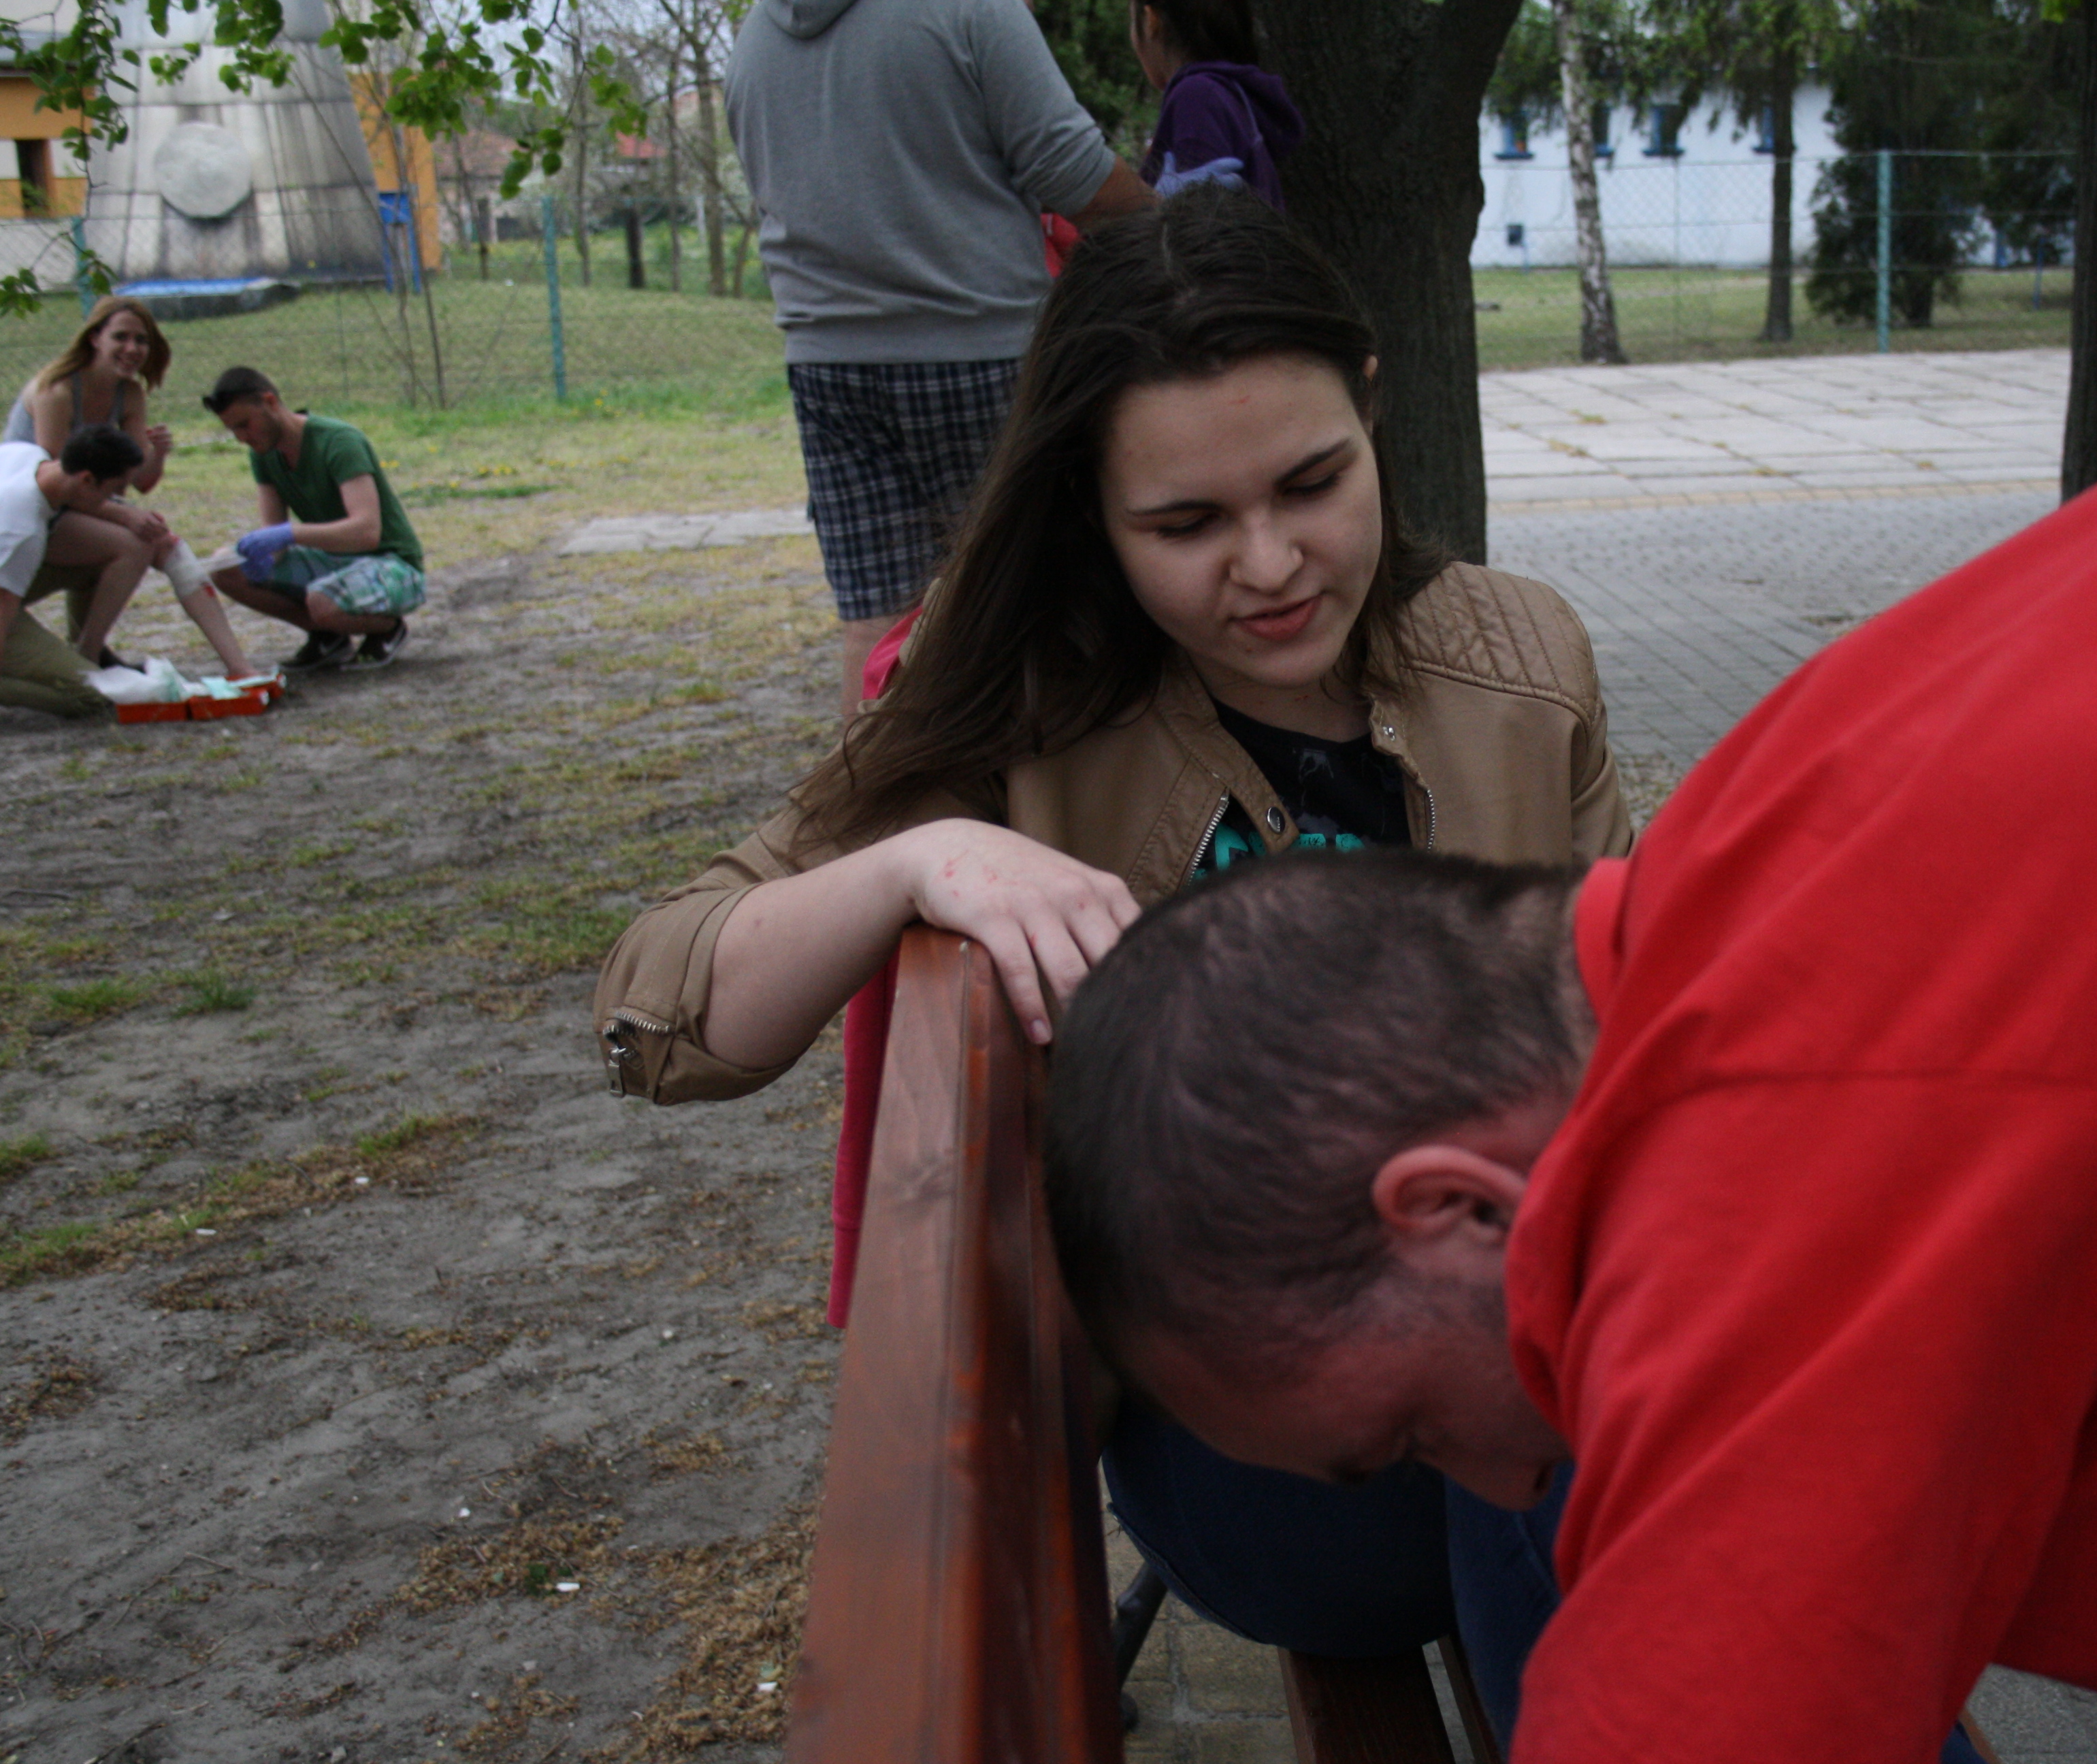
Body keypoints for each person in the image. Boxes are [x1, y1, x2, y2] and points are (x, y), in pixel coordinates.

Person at [1042, 312, 2097, 1764]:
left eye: (1407, 1434)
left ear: (1457, 1205)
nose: (1503, 1492)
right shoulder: (1754, 856)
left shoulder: (1784, 1197)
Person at [598, 190, 1631, 1742]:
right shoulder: (1029, 708)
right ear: (1090, 507)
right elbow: (655, 1012)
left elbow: (1634, 1030)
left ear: (1370, 404)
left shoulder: (1520, 658)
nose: (1269, 564)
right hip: (1267, 1449)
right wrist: (917, 861)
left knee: (1634, 1399)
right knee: (1588, 1426)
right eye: (1186, 524)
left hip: (1539, 1365)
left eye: (1311, 483)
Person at [726, 0, 1157, 723]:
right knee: (1033, 604)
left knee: (876, 626)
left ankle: (880, 791)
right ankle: (1047, 791)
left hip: (827, 365)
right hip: (981, 348)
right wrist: (1180, 225)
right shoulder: (968, 9)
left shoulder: (757, 39)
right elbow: (1075, 175)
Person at [7, 296, 264, 681]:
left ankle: (240, 668)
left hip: (86, 503)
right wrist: (126, 516)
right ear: (94, 337)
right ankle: (89, 656)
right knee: (135, 544)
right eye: (121, 337)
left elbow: (139, 482)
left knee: (168, 545)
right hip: (38, 510)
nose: (132, 349)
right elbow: (65, 485)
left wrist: (157, 456)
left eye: (141, 340)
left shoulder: (129, 394)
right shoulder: (56, 391)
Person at [201, 368, 425, 672]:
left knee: (323, 601)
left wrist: (290, 534)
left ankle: (386, 629)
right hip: (334, 560)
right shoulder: (263, 453)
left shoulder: (339, 441)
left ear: (270, 402)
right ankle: (328, 635)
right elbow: (275, 537)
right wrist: (260, 556)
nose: (241, 438)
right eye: (233, 430)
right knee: (225, 567)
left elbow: (367, 532)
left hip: (392, 562)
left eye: (244, 425)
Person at [0, 425, 148, 719]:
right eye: (114, 490)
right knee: (94, 695)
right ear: (87, 480)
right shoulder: (23, 530)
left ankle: (84, 654)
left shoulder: (26, 454)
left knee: (100, 556)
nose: (117, 499)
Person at [1131, 0, 1303, 208]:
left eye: (1132, 21)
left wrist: (1158, 207)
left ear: (1152, 21)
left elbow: (1199, 220)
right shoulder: (1231, 95)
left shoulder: (1197, 97)